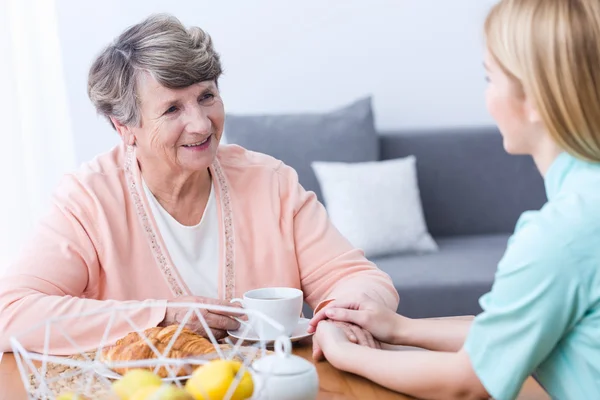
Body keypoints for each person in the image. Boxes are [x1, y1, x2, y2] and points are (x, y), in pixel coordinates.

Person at [0, 14, 398, 355]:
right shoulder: (89, 200)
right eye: (173, 108)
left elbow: (357, 279)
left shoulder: (270, 182)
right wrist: (164, 316)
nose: (202, 124)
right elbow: (11, 313)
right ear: (124, 127)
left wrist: (345, 318)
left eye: (207, 96)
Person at [309, 0, 600, 398]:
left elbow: (468, 382)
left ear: (534, 98)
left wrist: (344, 354)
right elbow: (504, 333)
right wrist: (399, 327)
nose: (487, 96)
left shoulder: (561, 234)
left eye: (490, 78)